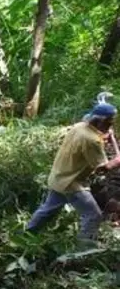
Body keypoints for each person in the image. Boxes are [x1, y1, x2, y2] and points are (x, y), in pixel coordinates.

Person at [26, 102, 120, 244]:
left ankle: (26, 235)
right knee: (93, 215)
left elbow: (87, 141)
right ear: (99, 121)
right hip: (72, 184)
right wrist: (117, 160)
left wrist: (107, 136)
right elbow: (103, 168)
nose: (110, 126)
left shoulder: (80, 127)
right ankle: (83, 250)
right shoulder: (92, 140)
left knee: (47, 211)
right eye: (108, 123)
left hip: (58, 177)